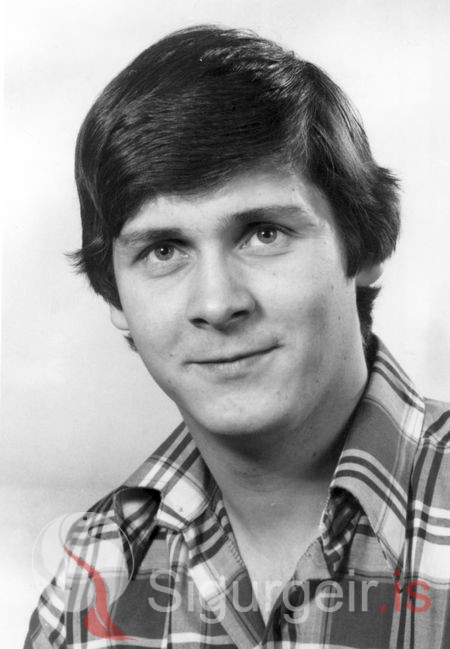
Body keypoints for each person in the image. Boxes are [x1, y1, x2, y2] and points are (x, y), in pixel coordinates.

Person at [24, 25, 450, 649]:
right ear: (115, 297)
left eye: (264, 233)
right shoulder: (90, 577)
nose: (218, 303)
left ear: (364, 248)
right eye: (163, 250)